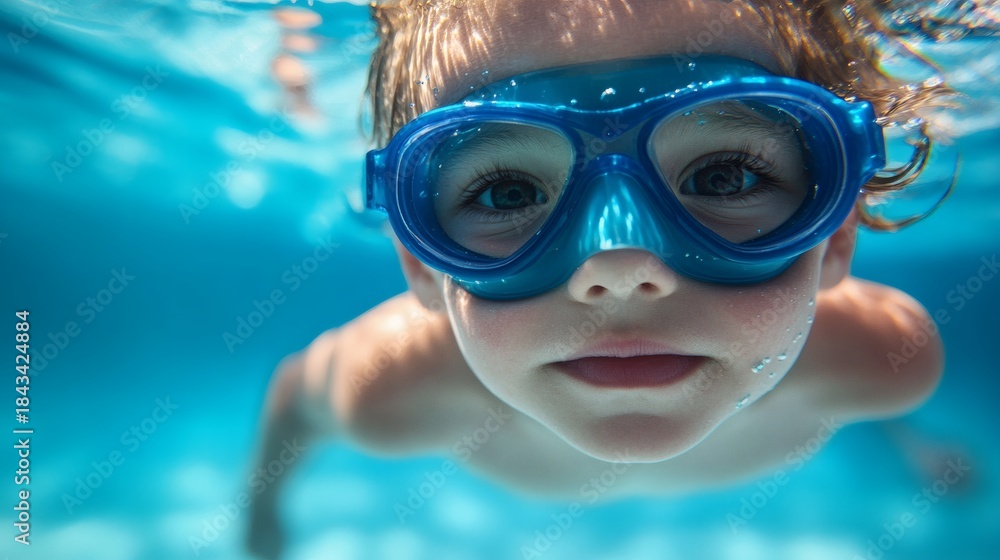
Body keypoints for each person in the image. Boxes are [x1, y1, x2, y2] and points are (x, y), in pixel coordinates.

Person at [245, 0, 955, 557]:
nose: (620, 271)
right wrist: (263, 511)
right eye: (507, 194)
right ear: (418, 267)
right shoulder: (391, 388)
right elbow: (293, 400)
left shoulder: (885, 357)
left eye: (724, 176)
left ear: (835, 238)